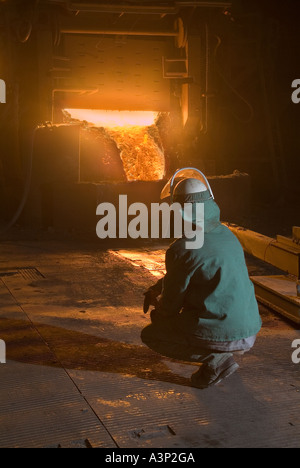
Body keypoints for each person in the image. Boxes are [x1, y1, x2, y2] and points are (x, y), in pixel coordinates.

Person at [141, 168, 262, 389]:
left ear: (180, 211)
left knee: (152, 334)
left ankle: (216, 359)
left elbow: (171, 302)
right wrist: (159, 287)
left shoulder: (182, 248)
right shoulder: (227, 235)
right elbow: (193, 269)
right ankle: (214, 360)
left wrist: (159, 314)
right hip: (249, 328)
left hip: (226, 332)